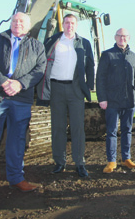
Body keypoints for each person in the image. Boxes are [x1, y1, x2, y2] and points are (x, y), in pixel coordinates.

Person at [0, 12, 46, 207]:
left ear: (29, 26)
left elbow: (39, 70)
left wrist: (20, 84)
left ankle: (16, 178)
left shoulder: (37, 46)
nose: (17, 24)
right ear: (10, 23)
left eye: (22, 21)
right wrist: (4, 82)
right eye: (15, 21)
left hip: (21, 98)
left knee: (18, 141)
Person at [37, 13, 95, 178]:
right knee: (58, 127)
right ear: (62, 24)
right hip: (56, 89)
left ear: (76, 25)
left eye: (73, 23)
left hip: (76, 89)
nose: (70, 25)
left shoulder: (84, 43)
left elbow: (90, 65)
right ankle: (59, 162)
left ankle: (79, 163)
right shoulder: (53, 41)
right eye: (67, 22)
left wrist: (89, 86)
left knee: (78, 128)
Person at [96, 28, 135, 173]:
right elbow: (100, 78)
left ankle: (126, 159)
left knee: (127, 130)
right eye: (119, 36)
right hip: (112, 101)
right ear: (115, 37)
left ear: (129, 38)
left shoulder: (133, 56)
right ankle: (111, 161)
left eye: (125, 36)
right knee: (111, 131)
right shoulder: (107, 55)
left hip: (129, 100)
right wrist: (102, 98)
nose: (122, 38)